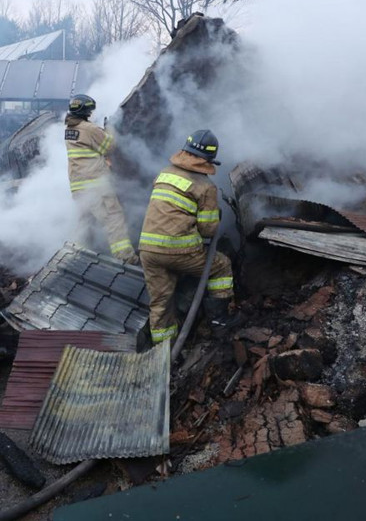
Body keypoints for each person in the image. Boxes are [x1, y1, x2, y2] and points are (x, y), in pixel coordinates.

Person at [138, 129, 237, 344]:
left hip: (148, 251)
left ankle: (163, 349)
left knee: (161, 303)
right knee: (221, 266)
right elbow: (208, 230)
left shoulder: (163, 174)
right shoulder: (206, 187)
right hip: (179, 251)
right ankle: (219, 321)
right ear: (209, 159)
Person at [65, 94, 138, 264]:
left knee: (85, 222)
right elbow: (109, 146)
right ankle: (125, 257)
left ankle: (74, 255)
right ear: (86, 111)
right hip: (96, 185)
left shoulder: (69, 130)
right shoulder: (89, 129)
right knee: (113, 218)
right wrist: (109, 127)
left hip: (78, 186)